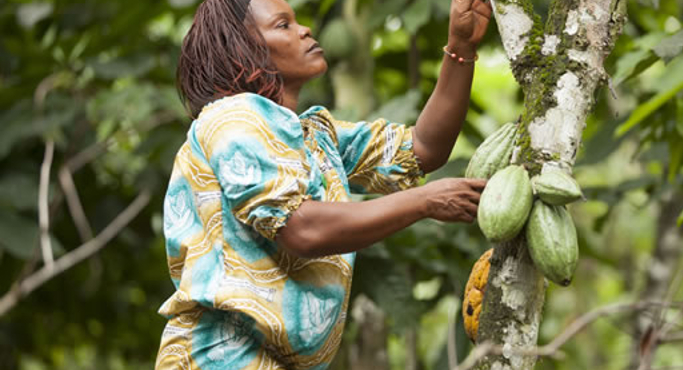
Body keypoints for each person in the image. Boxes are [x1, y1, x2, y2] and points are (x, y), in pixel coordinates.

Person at [155, 0, 492, 368]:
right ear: (244, 49)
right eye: (283, 25)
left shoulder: (311, 138)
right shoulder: (233, 118)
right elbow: (301, 228)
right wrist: (424, 202)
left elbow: (423, 149)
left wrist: (461, 46)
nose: (305, 31)